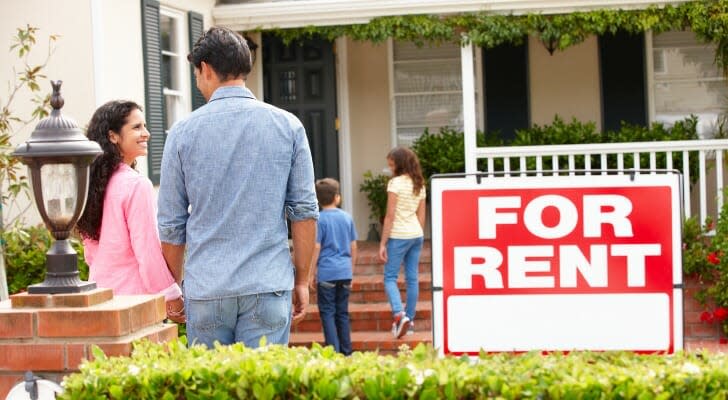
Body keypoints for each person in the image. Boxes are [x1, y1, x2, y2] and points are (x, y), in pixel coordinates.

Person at [157, 26, 318, 349]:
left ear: (205, 69)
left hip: (207, 288)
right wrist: (302, 280)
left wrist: (172, 288)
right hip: (267, 282)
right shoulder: (288, 126)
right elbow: (304, 212)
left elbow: (172, 226)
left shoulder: (182, 133)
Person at [77, 100, 185, 323]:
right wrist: (172, 296)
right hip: (135, 302)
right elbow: (147, 251)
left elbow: (90, 253)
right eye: (136, 127)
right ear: (113, 136)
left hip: (100, 297)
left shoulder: (89, 184)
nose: (146, 133)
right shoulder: (136, 185)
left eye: (144, 126)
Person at [378, 146, 426, 339]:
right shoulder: (419, 183)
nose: (390, 167)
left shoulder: (395, 183)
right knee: (412, 278)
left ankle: (399, 315)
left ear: (399, 164)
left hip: (398, 235)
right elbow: (421, 215)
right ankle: (410, 320)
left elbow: (390, 216)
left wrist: (382, 243)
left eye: (391, 164)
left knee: (390, 278)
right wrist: (418, 234)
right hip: (416, 234)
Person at [309, 178, 357, 355]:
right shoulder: (347, 218)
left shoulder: (319, 220)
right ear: (337, 197)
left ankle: (333, 352)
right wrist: (351, 271)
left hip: (327, 273)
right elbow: (354, 246)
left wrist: (311, 273)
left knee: (328, 313)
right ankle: (347, 352)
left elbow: (316, 247)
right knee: (342, 313)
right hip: (344, 271)